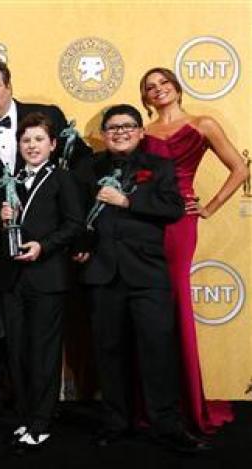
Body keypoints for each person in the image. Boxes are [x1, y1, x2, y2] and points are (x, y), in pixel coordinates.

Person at [75, 104, 208, 453]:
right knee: (109, 353)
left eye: (127, 126)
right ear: (104, 134)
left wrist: (127, 201)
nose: (120, 132)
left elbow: (173, 208)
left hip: (147, 274)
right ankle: (115, 422)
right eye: (113, 128)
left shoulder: (159, 167)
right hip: (103, 274)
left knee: (157, 352)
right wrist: (81, 246)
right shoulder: (87, 168)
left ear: (139, 132)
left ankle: (166, 425)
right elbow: (75, 217)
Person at [0, 58, 91, 418]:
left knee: (42, 340)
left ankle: (41, 413)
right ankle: (2, 402)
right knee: (1, 332)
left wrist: (81, 235)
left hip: (49, 254)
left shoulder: (46, 115)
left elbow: (82, 167)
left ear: (8, 86)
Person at [139, 67, 248, 434]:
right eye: (150, 87)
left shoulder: (203, 124)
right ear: (145, 97)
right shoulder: (142, 133)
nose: (158, 90)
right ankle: (154, 401)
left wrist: (210, 207)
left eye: (163, 83)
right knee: (150, 308)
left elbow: (239, 168)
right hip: (146, 224)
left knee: (178, 305)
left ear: (177, 87)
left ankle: (188, 403)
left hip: (181, 225)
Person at [0, 113, 83, 450]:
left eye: (38, 139)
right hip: (14, 280)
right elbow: (2, 230)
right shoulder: (11, 180)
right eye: (26, 140)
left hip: (48, 278)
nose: (31, 145)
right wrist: (4, 219)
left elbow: (75, 224)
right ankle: (25, 415)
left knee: (44, 353)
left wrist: (43, 247)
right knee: (18, 351)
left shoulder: (63, 178)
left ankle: (42, 421)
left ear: (52, 144)